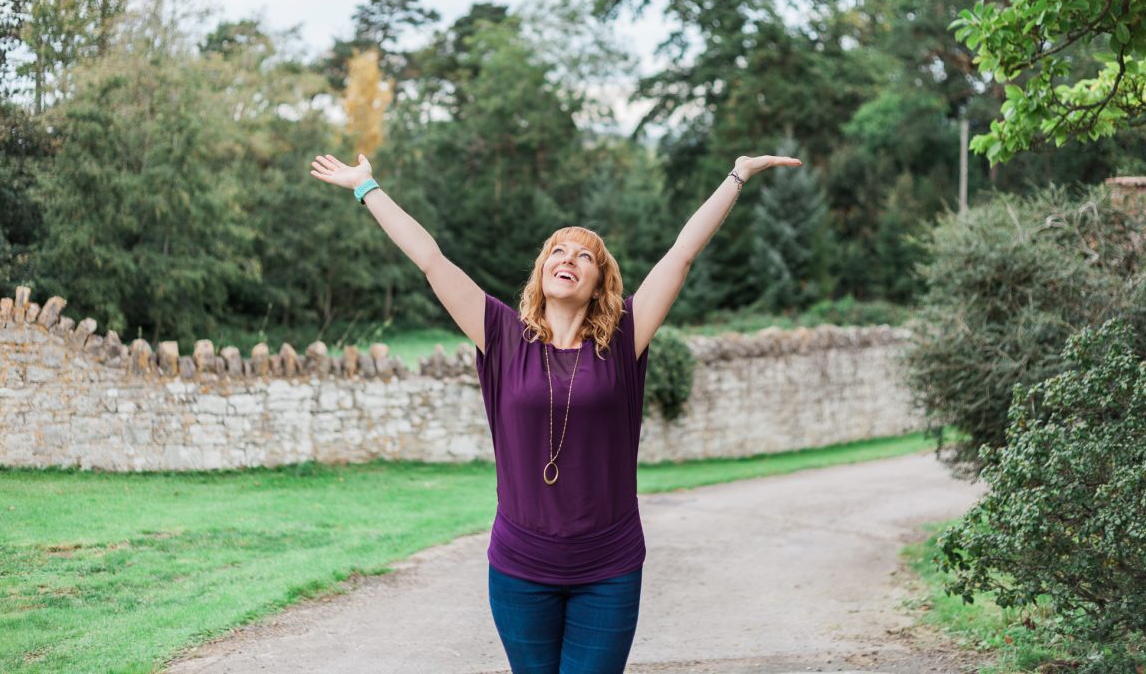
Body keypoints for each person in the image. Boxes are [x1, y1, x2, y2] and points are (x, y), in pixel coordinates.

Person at [309, 151, 802, 674]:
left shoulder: (624, 338)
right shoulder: (500, 335)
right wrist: (368, 187)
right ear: (542, 270)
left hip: (608, 568)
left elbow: (681, 254)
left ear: (599, 283)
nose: (568, 258)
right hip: (521, 567)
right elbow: (431, 260)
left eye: (584, 256)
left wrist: (737, 176)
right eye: (558, 251)